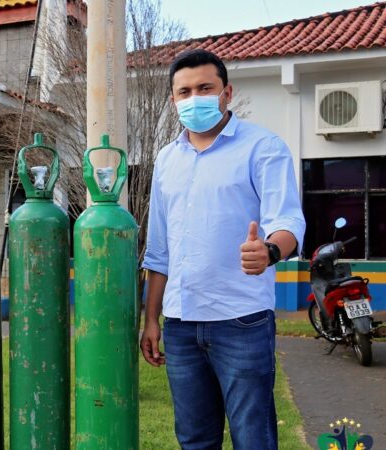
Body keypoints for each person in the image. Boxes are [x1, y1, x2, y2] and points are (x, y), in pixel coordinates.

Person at [139, 49, 306, 450]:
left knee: (253, 438)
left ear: (227, 92)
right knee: (194, 439)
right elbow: (159, 249)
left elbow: (289, 222)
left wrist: (269, 251)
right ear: (173, 99)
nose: (194, 98)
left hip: (241, 320)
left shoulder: (263, 147)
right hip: (180, 323)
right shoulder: (166, 160)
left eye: (205, 88)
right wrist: (151, 319)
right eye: (184, 92)